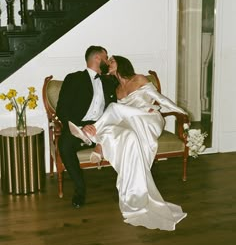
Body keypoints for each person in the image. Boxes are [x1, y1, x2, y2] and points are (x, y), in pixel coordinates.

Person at [69, 55, 188, 230]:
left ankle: (91, 136)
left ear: (121, 63)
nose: (108, 64)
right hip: (131, 122)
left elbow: (160, 99)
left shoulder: (138, 79)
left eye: (112, 61)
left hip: (149, 119)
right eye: (107, 62)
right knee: (115, 129)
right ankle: (100, 144)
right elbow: (120, 115)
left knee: (113, 109)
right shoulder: (116, 89)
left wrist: (182, 113)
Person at [56, 46, 117, 208]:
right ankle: (80, 189)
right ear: (97, 58)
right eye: (106, 58)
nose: (108, 61)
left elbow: (117, 106)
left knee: (127, 137)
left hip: (103, 127)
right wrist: (80, 127)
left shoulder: (110, 81)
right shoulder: (74, 78)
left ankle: (125, 187)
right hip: (80, 128)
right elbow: (62, 108)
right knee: (64, 144)